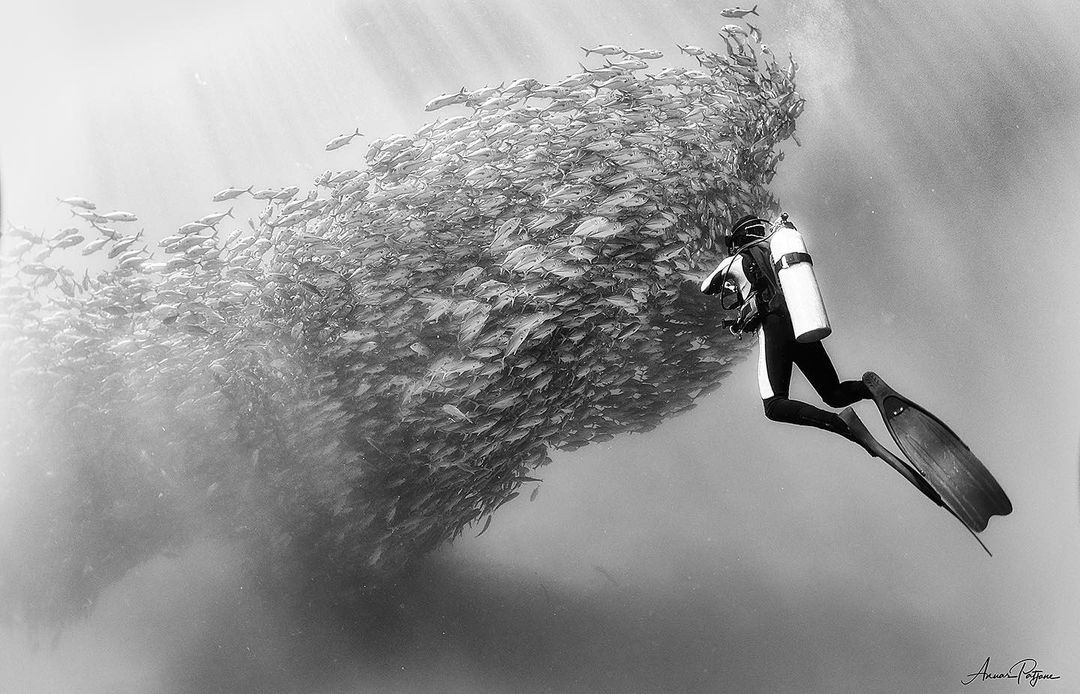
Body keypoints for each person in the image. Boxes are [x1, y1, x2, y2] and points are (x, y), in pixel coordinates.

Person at [700, 214, 871, 444]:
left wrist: (730, 278)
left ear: (738, 239)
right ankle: (870, 389)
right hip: (799, 321)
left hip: (774, 328)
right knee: (834, 393)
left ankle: (841, 424)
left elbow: (705, 287)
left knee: (774, 405)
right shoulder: (778, 252)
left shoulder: (737, 260)